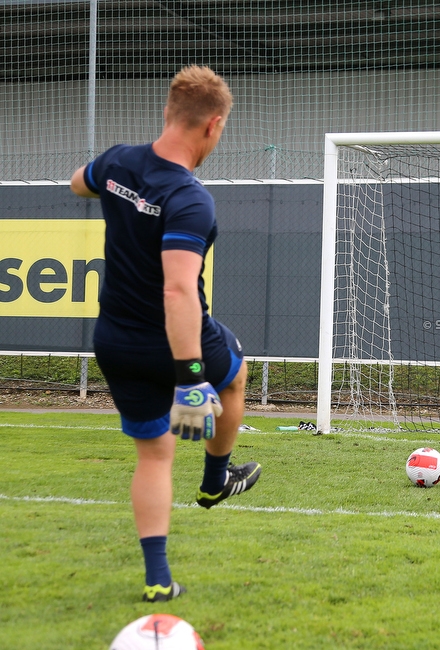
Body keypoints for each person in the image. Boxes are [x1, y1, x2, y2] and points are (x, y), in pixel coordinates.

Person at [70, 65, 261, 603]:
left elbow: (77, 182)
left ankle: (157, 579)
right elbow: (177, 292)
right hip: (178, 342)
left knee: (154, 456)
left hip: (114, 341)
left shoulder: (116, 161)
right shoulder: (190, 198)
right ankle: (216, 479)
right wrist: (191, 378)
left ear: (166, 114)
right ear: (214, 125)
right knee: (238, 375)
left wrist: (121, 196)